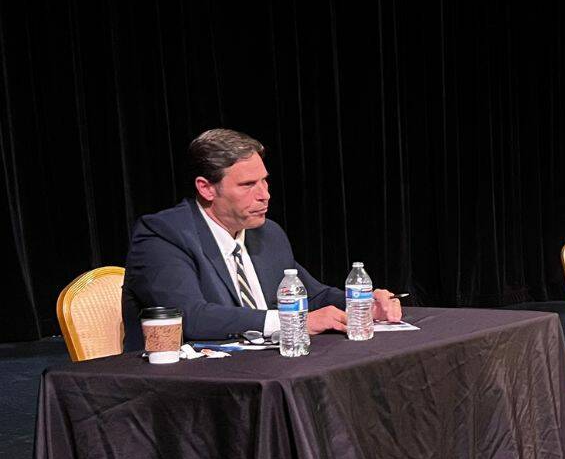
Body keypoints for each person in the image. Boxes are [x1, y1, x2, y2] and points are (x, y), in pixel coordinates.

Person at [121, 128, 402, 350]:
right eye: (247, 185)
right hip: (188, 385)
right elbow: (191, 317)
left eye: (264, 180)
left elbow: (314, 295)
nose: (264, 194)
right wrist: (294, 322)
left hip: (265, 370)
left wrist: (361, 304)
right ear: (206, 188)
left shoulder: (267, 233)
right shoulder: (163, 235)